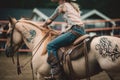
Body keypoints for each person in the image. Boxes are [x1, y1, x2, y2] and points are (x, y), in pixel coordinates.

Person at [42, 0, 86, 80]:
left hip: (75, 31)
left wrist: (43, 25)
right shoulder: (74, 7)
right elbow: (74, 23)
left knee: (50, 45)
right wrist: (63, 32)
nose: (58, 2)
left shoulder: (62, 6)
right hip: (81, 30)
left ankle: (56, 72)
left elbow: (50, 20)